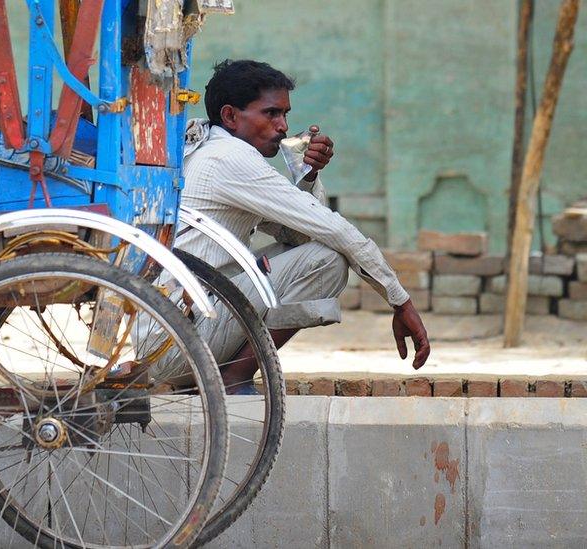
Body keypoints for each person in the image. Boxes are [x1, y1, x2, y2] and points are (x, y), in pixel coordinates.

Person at [177, 59, 430, 394]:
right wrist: (400, 301)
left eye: (285, 114)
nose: (283, 126)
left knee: (319, 252)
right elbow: (332, 232)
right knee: (328, 261)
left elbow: (299, 235)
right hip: (179, 341)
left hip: (173, 330)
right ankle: (232, 378)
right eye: (271, 114)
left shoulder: (211, 147)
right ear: (230, 116)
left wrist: (307, 175)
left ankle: (228, 375)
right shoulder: (231, 159)